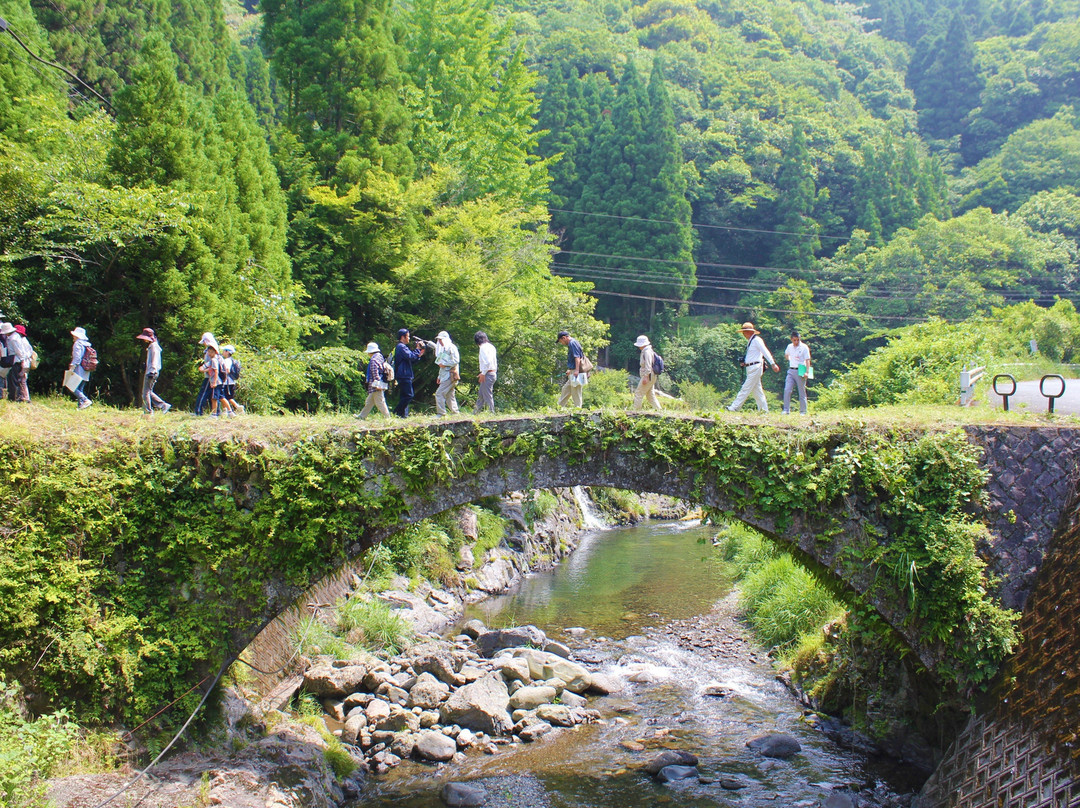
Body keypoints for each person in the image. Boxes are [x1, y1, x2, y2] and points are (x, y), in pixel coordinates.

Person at [727, 321, 779, 412]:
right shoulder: (750, 342)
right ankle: (764, 410)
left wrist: (772, 363)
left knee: (745, 388)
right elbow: (752, 355)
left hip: (756, 367)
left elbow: (765, 351)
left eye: (745, 332)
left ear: (750, 332)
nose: (744, 334)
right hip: (750, 367)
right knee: (757, 391)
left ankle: (735, 407)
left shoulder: (757, 340)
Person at [136, 327, 171, 414]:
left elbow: (154, 359)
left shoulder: (153, 346)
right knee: (148, 392)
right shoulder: (153, 345)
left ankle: (148, 411)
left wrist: (152, 370)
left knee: (145, 393)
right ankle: (164, 405)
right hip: (152, 370)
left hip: (151, 372)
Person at [393, 328, 425, 417]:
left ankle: (403, 415)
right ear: (403, 337)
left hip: (404, 374)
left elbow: (412, 359)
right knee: (409, 395)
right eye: (408, 336)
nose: (409, 338)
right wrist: (418, 349)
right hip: (403, 374)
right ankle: (396, 413)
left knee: (404, 395)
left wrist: (419, 354)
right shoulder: (401, 346)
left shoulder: (402, 347)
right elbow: (410, 356)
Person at [358, 341, 391, 419]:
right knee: (369, 402)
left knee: (380, 402)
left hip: (375, 384)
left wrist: (377, 383)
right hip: (379, 382)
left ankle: (387, 418)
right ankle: (362, 416)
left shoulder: (373, 360)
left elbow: (374, 371)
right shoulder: (380, 357)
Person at [782, 331, 812, 415]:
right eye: (794, 340)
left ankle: (803, 411)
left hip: (801, 369)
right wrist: (790, 359)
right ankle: (786, 410)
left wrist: (807, 372)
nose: (796, 342)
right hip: (791, 369)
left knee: (801, 391)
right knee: (787, 390)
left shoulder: (804, 347)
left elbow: (807, 360)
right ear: (791, 339)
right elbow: (786, 354)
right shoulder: (789, 346)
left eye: (797, 340)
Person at [1, 323, 31, 402]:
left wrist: (22, 361)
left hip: (16, 361)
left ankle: (15, 397)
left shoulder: (13, 339)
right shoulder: (14, 337)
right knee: (15, 380)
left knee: (15, 381)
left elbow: (19, 351)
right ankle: (15, 397)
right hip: (16, 361)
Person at [432, 330, 460, 416]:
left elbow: (456, 360)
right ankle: (455, 413)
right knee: (449, 395)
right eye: (439, 340)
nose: (440, 341)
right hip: (444, 375)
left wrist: (444, 364)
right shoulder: (443, 349)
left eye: (441, 339)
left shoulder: (452, 347)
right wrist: (439, 376)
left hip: (450, 375)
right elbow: (441, 364)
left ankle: (441, 413)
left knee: (439, 394)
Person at [200, 344, 232, 418]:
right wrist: (206, 369)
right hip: (220, 382)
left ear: (215, 352)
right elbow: (202, 368)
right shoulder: (216, 359)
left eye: (211, 352)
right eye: (208, 352)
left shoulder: (214, 360)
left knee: (214, 398)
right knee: (221, 397)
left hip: (216, 382)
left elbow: (216, 371)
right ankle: (230, 412)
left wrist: (214, 382)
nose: (209, 354)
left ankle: (214, 414)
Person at [631, 335, 661, 411]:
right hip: (651, 375)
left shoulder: (647, 352)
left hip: (648, 375)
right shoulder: (648, 351)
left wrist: (645, 377)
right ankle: (659, 410)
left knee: (638, 393)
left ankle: (636, 411)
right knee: (650, 395)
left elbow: (648, 365)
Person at [556, 330, 586, 408]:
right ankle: (559, 408)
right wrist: (570, 369)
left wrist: (576, 370)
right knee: (566, 389)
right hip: (573, 370)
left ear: (564, 338)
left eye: (560, 341)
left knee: (576, 392)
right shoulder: (572, 343)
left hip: (577, 371)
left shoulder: (572, 343)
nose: (562, 343)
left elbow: (577, 357)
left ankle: (578, 410)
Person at [67, 326, 95, 409]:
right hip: (86, 369)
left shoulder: (77, 344)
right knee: (80, 388)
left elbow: (77, 357)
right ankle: (81, 405)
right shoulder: (87, 344)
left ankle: (85, 400)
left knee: (72, 386)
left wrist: (72, 366)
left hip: (79, 368)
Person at [194, 332, 217, 415]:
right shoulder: (213, 348)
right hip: (211, 376)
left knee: (203, 393)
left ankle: (198, 411)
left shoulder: (211, 350)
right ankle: (216, 412)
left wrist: (204, 369)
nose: (203, 343)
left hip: (210, 376)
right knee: (212, 395)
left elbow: (212, 364)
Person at [474, 331, 497, 413]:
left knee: (487, 395)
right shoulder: (491, 346)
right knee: (481, 394)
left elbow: (487, 362)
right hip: (492, 372)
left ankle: (491, 413)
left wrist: (483, 373)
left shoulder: (483, 348)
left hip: (488, 374)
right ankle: (475, 412)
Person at [219, 345, 244, 414]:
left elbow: (227, 370)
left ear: (227, 352)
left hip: (227, 382)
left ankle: (237, 407)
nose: (223, 352)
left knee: (225, 397)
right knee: (227, 397)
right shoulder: (232, 360)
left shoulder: (226, 361)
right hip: (231, 381)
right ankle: (225, 411)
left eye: (224, 350)